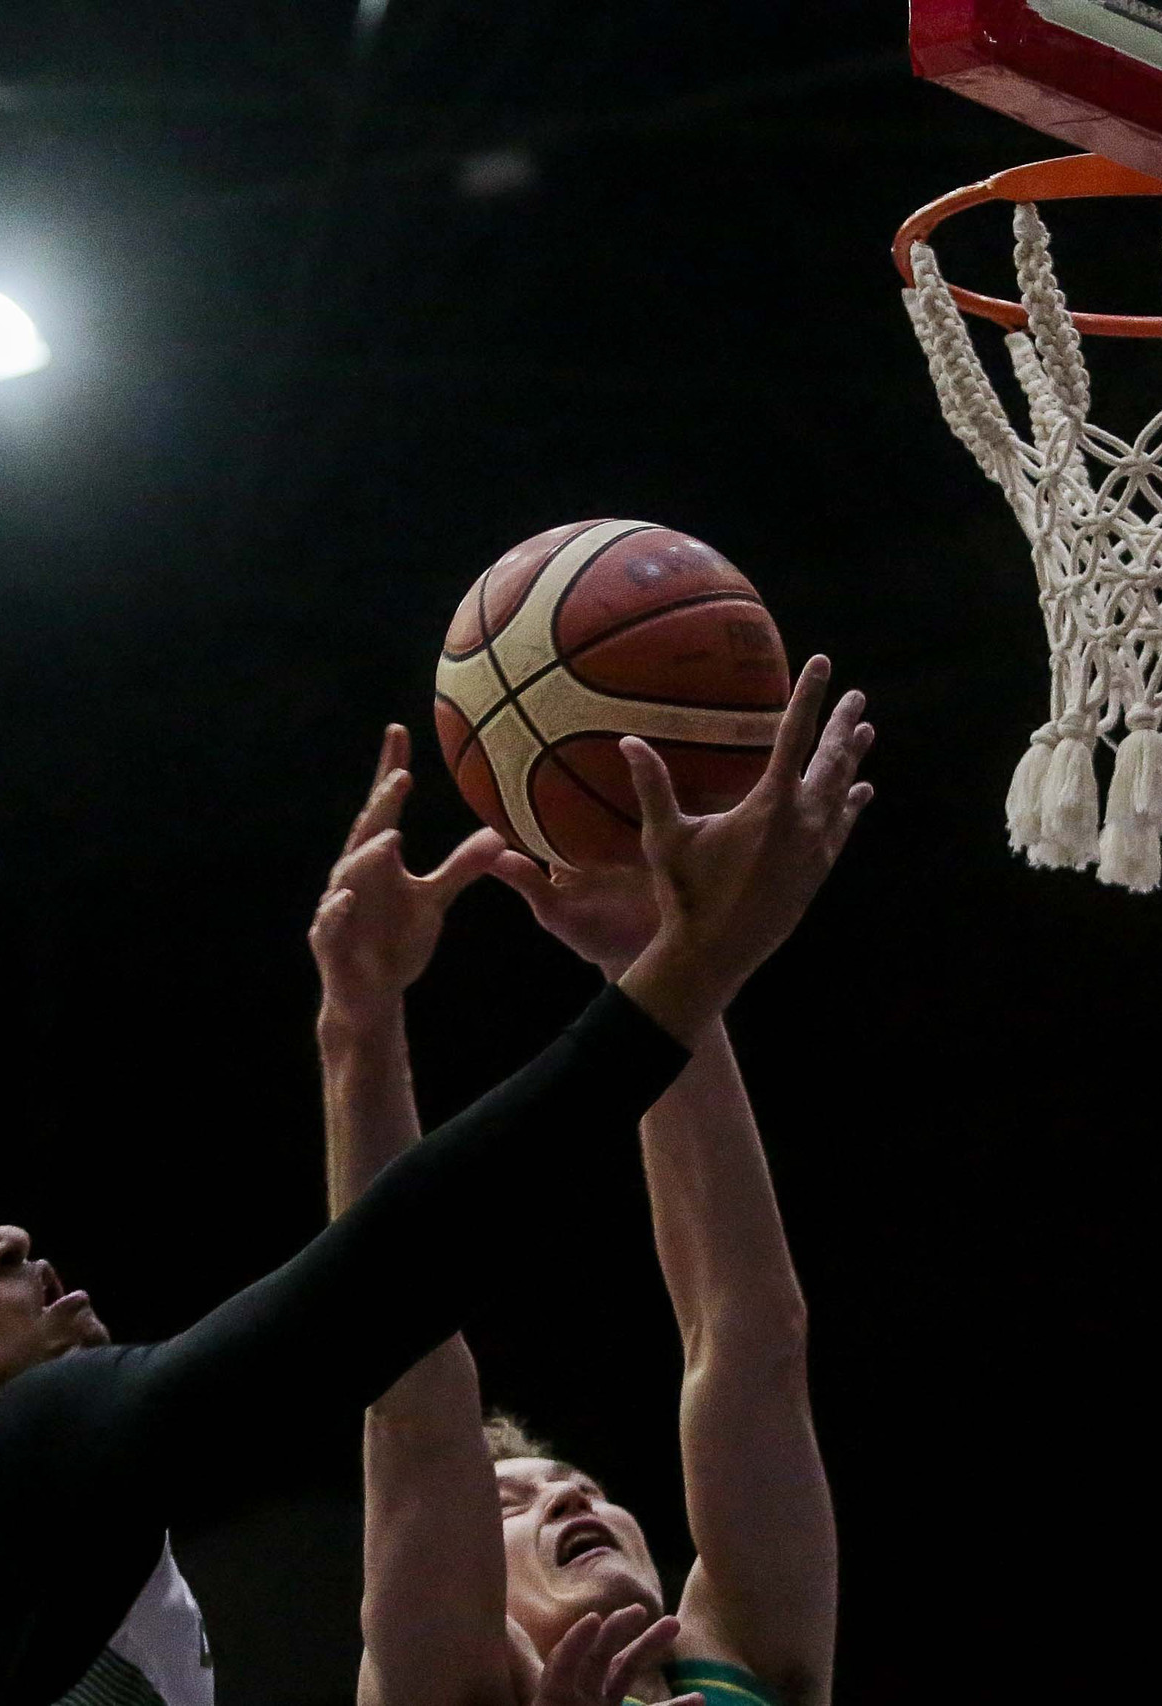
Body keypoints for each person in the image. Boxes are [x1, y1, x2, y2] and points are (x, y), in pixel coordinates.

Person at [0, 657, 874, 1706]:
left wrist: (644, 977)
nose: (4, 1237)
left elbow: (729, 1331)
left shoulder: (72, 1550)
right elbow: (381, 1340)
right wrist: (678, 971)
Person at [311, 698, 862, 1706]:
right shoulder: (454, 1688)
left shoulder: (740, 1651)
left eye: (586, 1487)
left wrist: (655, 962)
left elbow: (746, 1333)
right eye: (509, 1504)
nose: (570, 1489)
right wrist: (359, 1027)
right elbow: (413, 1405)